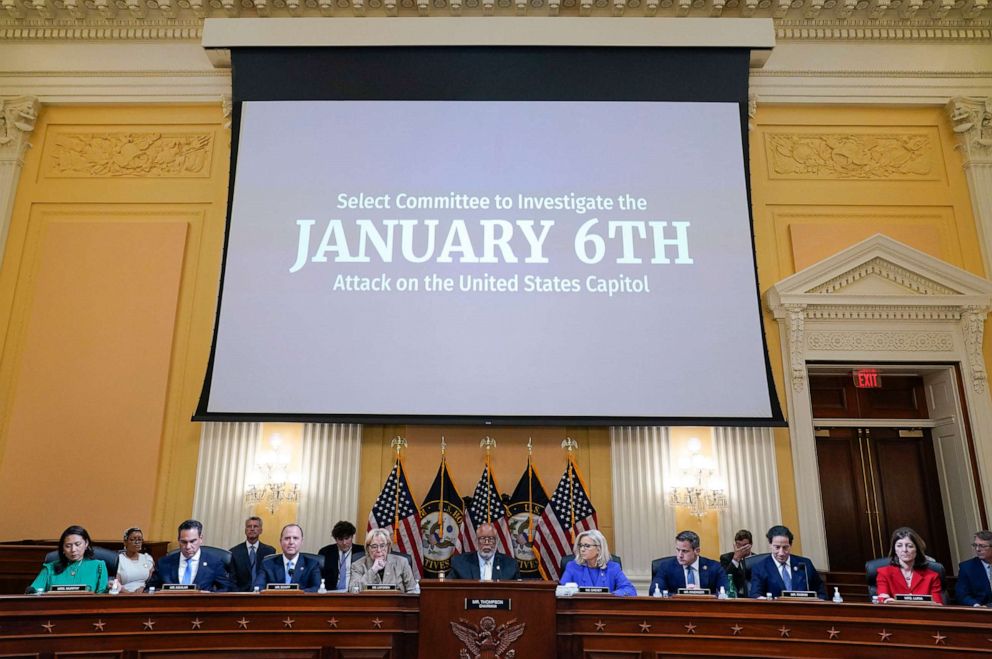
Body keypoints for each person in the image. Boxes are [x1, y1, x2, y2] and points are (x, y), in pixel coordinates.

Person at [145, 519, 233, 592]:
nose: (188, 547)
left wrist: (209, 596)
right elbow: (149, 589)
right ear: (178, 540)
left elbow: (227, 588)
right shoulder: (164, 563)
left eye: (192, 541)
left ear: (201, 539)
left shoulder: (214, 562)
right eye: (183, 542)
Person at [748, 525, 826, 599]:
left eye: (785, 547)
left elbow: (821, 592)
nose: (781, 553)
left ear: (790, 545)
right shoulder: (760, 567)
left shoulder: (805, 564)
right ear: (770, 545)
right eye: (777, 547)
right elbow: (755, 595)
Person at [27, 525, 109, 593]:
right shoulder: (50, 568)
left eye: (77, 544)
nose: (73, 549)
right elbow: (33, 593)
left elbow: (101, 597)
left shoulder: (98, 566)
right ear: (62, 548)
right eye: (68, 546)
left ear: (86, 543)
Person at [651, 530, 730, 596]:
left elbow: (728, 592)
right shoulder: (666, 567)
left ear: (697, 551)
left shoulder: (714, 567)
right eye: (678, 550)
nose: (680, 555)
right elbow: (654, 592)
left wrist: (703, 595)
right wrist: (682, 596)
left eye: (684, 551)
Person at [875, 527, 942, 604]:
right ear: (894, 550)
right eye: (899, 546)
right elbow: (882, 597)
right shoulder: (884, 573)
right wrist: (885, 600)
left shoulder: (932, 576)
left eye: (909, 546)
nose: (904, 550)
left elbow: (938, 605)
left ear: (917, 549)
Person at [559, 529, 636, 596]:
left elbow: (630, 590)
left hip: (605, 609)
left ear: (599, 549)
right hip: (579, 610)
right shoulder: (572, 566)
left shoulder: (613, 568)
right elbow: (561, 591)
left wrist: (611, 596)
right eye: (580, 545)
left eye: (587, 546)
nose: (582, 549)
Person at [254, 523, 321, 592]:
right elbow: (258, 587)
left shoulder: (312, 564)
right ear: (281, 541)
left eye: (295, 538)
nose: (291, 542)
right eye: (287, 538)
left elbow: (317, 588)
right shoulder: (267, 564)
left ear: (301, 541)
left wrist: (296, 594)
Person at [350, 528, 418, 593]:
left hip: (396, 604)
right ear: (368, 548)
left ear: (388, 547)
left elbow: (413, 591)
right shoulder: (357, 565)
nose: (379, 550)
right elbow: (354, 590)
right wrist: (373, 570)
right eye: (374, 546)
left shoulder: (402, 562)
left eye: (382, 546)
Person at [450, 522, 521, 581]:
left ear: (496, 542)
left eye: (491, 539)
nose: (487, 542)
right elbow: (447, 588)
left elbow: (518, 593)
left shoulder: (510, 565)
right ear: (476, 541)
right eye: (482, 538)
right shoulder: (460, 563)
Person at [229, 516, 275, 592]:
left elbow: (271, 577)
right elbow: (232, 580)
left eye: (255, 526)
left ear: (261, 530)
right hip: (241, 595)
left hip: (263, 595)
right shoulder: (234, 552)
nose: (252, 529)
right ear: (245, 530)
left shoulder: (270, 551)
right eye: (249, 526)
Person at [318, 520, 365, 591]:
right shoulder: (325, 552)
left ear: (352, 537)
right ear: (335, 539)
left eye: (347, 538)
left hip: (354, 592)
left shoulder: (362, 552)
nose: (344, 542)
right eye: (340, 539)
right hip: (331, 593)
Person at [956, 530, 992, 607]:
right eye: (975, 545)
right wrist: (976, 605)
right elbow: (962, 595)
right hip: (981, 611)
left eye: (982, 546)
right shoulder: (967, 568)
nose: (977, 549)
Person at [114, 526, 155, 593]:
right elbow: (116, 584)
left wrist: (143, 589)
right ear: (125, 542)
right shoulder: (119, 559)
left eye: (139, 539)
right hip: (125, 595)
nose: (137, 542)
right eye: (133, 539)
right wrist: (130, 594)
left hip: (144, 593)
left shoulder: (147, 558)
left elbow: (153, 581)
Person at [719, 529, 753, 597]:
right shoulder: (726, 558)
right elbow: (725, 578)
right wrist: (736, 559)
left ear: (751, 545)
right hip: (734, 596)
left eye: (745, 545)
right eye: (739, 545)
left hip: (754, 596)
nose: (741, 548)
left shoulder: (757, 559)